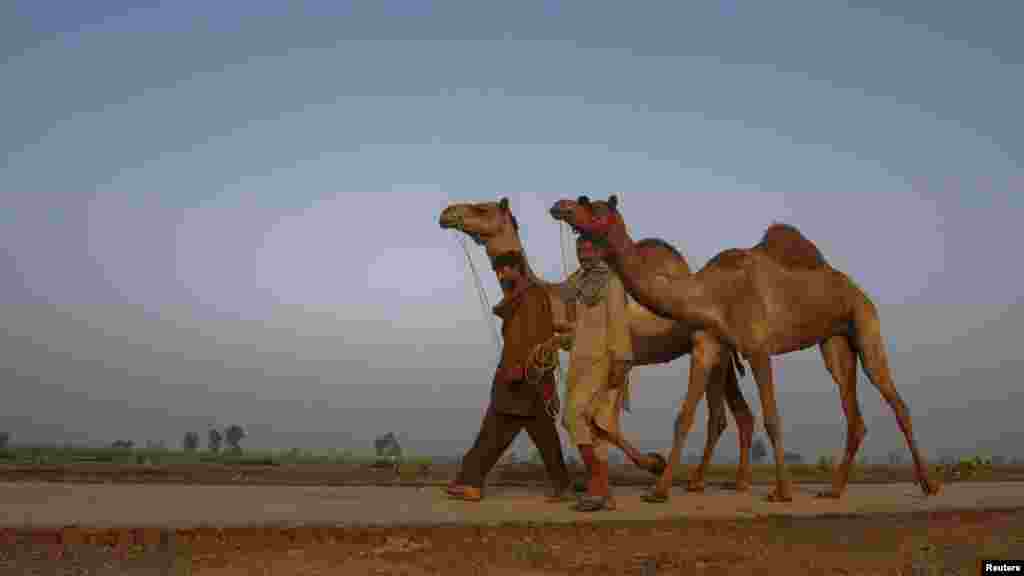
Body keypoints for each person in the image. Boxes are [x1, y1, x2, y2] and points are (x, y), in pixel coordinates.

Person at [446, 250, 572, 502]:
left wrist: (519, 367)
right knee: (543, 436)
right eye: (497, 271)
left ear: (518, 269)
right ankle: (562, 485)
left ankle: (470, 482)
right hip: (531, 379)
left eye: (505, 270)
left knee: (493, 433)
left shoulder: (532, 297)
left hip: (521, 377)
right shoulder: (523, 297)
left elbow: (533, 336)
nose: (500, 275)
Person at [559, 234, 633, 511]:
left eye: (589, 248)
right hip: (579, 362)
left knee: (572, 415)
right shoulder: (576, 283)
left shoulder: (611, 283)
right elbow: (578, 328)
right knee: (594, 426)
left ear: (600, 251)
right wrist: (559, 340)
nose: (583, 253)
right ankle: (605, 495)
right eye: (580, 248)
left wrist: (620, 363)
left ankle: (596, 485)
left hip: (604, 361)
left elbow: (618, 324)